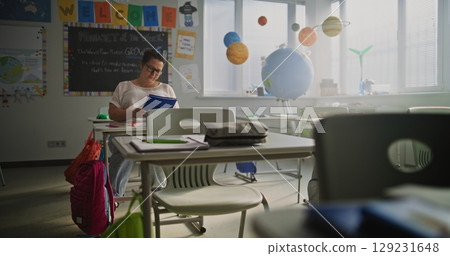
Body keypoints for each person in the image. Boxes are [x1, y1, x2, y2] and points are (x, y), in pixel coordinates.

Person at [108, 49, 179, 198]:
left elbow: (176, 116)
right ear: (141, 65)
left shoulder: (166, 89)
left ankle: (158, 192)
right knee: (127, 149)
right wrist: (131, 112)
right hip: (126, 133)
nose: (154, 74)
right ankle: (114, 195)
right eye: (150, 68)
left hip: (156, 132)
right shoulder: (124, 86)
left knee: (155, 148)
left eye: (158, 71)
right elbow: (112, 114)